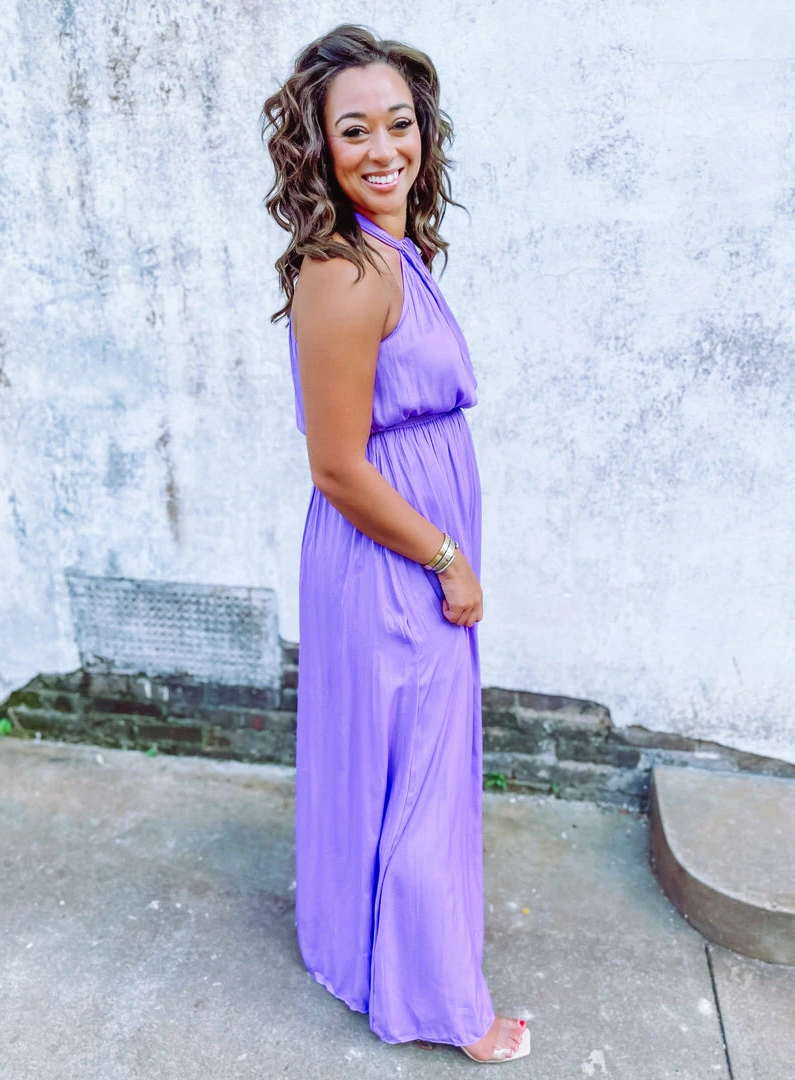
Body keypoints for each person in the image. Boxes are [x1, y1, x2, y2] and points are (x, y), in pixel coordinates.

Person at [261, 24, 531, 1065]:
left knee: (396, 759)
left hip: (402, 544)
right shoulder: (345, 273)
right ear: (318, 146)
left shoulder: (392, 251)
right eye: (354, 130)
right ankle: (442, 1006)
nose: (384, 149)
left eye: (400, 123)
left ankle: (371, 950)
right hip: (391, 555)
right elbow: (337, 466)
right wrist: (446, 559)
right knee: (418, 768)